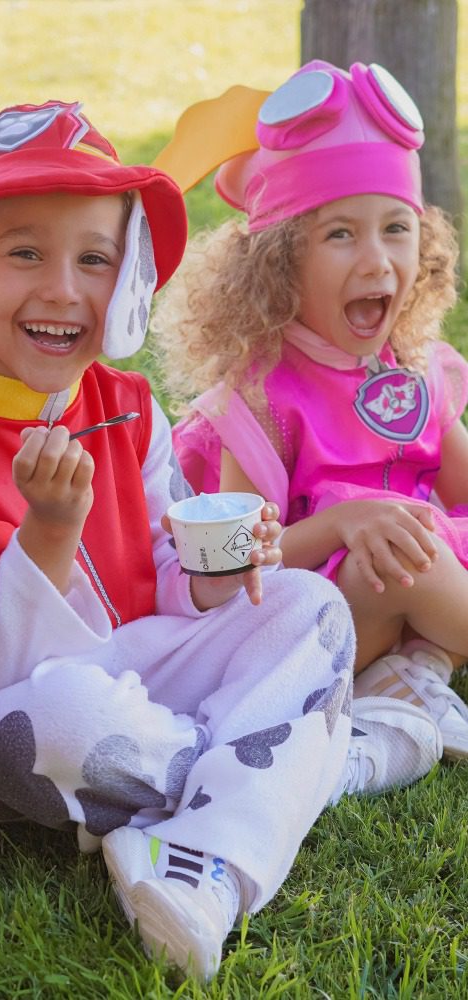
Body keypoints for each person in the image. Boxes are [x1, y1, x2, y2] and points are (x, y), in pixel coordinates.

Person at [0, 99, 375, 982]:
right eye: (25, 254)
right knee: (79, 720)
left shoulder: (126, 404)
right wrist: (47, 531)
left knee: (310, 603)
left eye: (94, 259)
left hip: (134, 663)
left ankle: (197, 853)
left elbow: (165, 569)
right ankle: (283, 767)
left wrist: (215, 574)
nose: (63, 290)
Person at [154, 60, 468, 762]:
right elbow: (237, 560)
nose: (377, 260)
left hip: (409, 588)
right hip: (322, 614)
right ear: (277, 262)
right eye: (340, 234)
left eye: (396, 228)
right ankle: (412, 663)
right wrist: (340, 524)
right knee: (403, 562)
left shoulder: (418, 365)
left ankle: (413, 674)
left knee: (415, 552)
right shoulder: (262, 397)